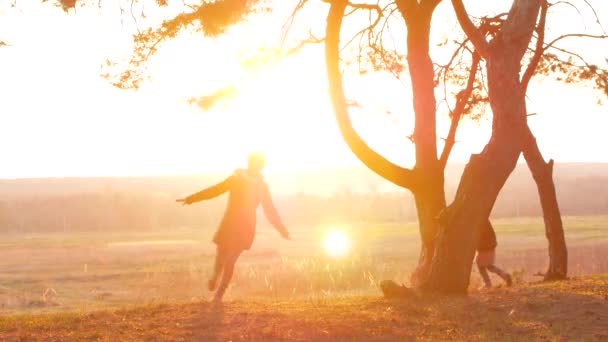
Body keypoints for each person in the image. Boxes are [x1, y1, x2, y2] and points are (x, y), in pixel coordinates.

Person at [176, 153, 290, 302]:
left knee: (230, 261)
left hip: (246, 226)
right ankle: (215, 277)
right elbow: (216, 190)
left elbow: (270, 210)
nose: (255, 166)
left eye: (259, 164)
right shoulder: (236, 179)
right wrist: (192, 198)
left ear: (262, 166)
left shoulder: (262, 187)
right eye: (253, 163)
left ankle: (219, 295)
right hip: (229, 222)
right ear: (249, 163)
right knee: (220, 256)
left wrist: (281, 229)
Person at [476, 219, 512, 289]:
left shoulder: (480, 222)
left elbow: (479, 235)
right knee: (489, 266)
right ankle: (505, 276)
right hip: (490, 245)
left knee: (481, 265)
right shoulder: (485, 220)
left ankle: (488, 284)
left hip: (485, 247)